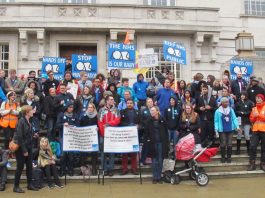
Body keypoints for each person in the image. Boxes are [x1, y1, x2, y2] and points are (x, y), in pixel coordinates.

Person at [13, 105, 39, 193]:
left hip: (29, 147)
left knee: (29, 167)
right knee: (20, 167)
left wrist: (33, 135)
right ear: (27, 112)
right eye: (31, 110)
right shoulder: (21, 121)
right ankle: (16, 187)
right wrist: (24, 150)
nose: (33, 111)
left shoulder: (28, 120)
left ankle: (30, 185)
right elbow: (20, 137)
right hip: (21, 148)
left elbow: (27, 134)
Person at [98, 95, 120, 176]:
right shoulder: (101, 110)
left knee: (111, 153)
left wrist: (108, 124)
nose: (112, 101)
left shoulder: (116, 110)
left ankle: (111, 169)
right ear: (107, 101)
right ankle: (104, 169)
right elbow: (99, 122)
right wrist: (104, 132)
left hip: (112, 135)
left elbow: (118, 120)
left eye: (113, 99)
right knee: (103, 153)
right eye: (111, 99)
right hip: (103, 135)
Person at [146, 106, 169, 184]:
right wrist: (148, 140)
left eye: (153, 110)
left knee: (160, 160)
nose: (151, 112)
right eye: (151, 111)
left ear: (157, 111)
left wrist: (167, 142)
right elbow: (146, 132)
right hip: (152, 143)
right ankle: (154, 177)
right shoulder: (149, 120)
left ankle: (159, 177)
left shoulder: (163, 119)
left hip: (161, 143)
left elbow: (166, 132)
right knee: (154, 160)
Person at [214, 97, 240, 163]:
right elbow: (216, 121)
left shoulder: (231, 110)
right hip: (222, 130)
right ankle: (223, 157)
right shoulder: (217, 111)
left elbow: (234, 118)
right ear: (222, 103)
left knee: (229, 144)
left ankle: (229, 157)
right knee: (223, 144)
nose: (227, 103)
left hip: (230, 129)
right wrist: (216, 129)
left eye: (227, 102)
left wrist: (237, 126)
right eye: (226, 102)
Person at [56, 102, 78, 177]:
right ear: (66, 107)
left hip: (72, 137)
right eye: (69, 107)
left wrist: (75, 126)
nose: (71, 109)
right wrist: (63, 124)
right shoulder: (61, 115)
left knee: (71, 154)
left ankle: (70, 169)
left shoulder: (75, 115)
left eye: (72, 107)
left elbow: (78, 124)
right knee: (63, 154)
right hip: (63, 137)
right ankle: (62, 170)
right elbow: (57, 125)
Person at [120, 99, 140, 175]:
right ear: (126, 104)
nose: (129, 104)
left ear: (133, 104)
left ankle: (134, 168)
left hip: (134, 135)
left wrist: (138, 126)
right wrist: (129, 126)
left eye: (131, 103)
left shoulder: (137, 112)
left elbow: (140, 123)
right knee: (124, 152)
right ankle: (124, 169)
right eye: (128, 103)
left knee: (133, 153)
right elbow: (120, 122)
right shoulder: (122, 112)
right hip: (125, 135)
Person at [79, 103, 99, 175]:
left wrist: (98, 128)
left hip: (94, 137)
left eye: (91, 107)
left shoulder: (97, 116)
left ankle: (94, 168)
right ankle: (82, 169)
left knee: (94, 153)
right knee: (83, 153)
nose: (90, 108)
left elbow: (99, 125)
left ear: (94, 108)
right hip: (85, 137)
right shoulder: (83, 116)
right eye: (89, 107)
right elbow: (80, 125)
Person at [248, 94, 265, 171]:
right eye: (256, 98)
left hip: (264, 130)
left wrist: (259, 116)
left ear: (262, 99)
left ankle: (263, 164)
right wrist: (254, 117)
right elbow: (251, 120)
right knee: (252, 147)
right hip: (255, 130)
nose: (257, 99)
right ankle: (252, 164)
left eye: (259, 98)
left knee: (264, 148)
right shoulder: (254, 108)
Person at [139, 98, 154, 165]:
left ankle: (154, 161)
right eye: (148, 102)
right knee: (145, 147)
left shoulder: (155, 110)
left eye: (151, 102)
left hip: (154, 131)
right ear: (146, 103)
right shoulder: (143, 110)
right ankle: (142, 161)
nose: (150, 103)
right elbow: (141, 120)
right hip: (146, 131)